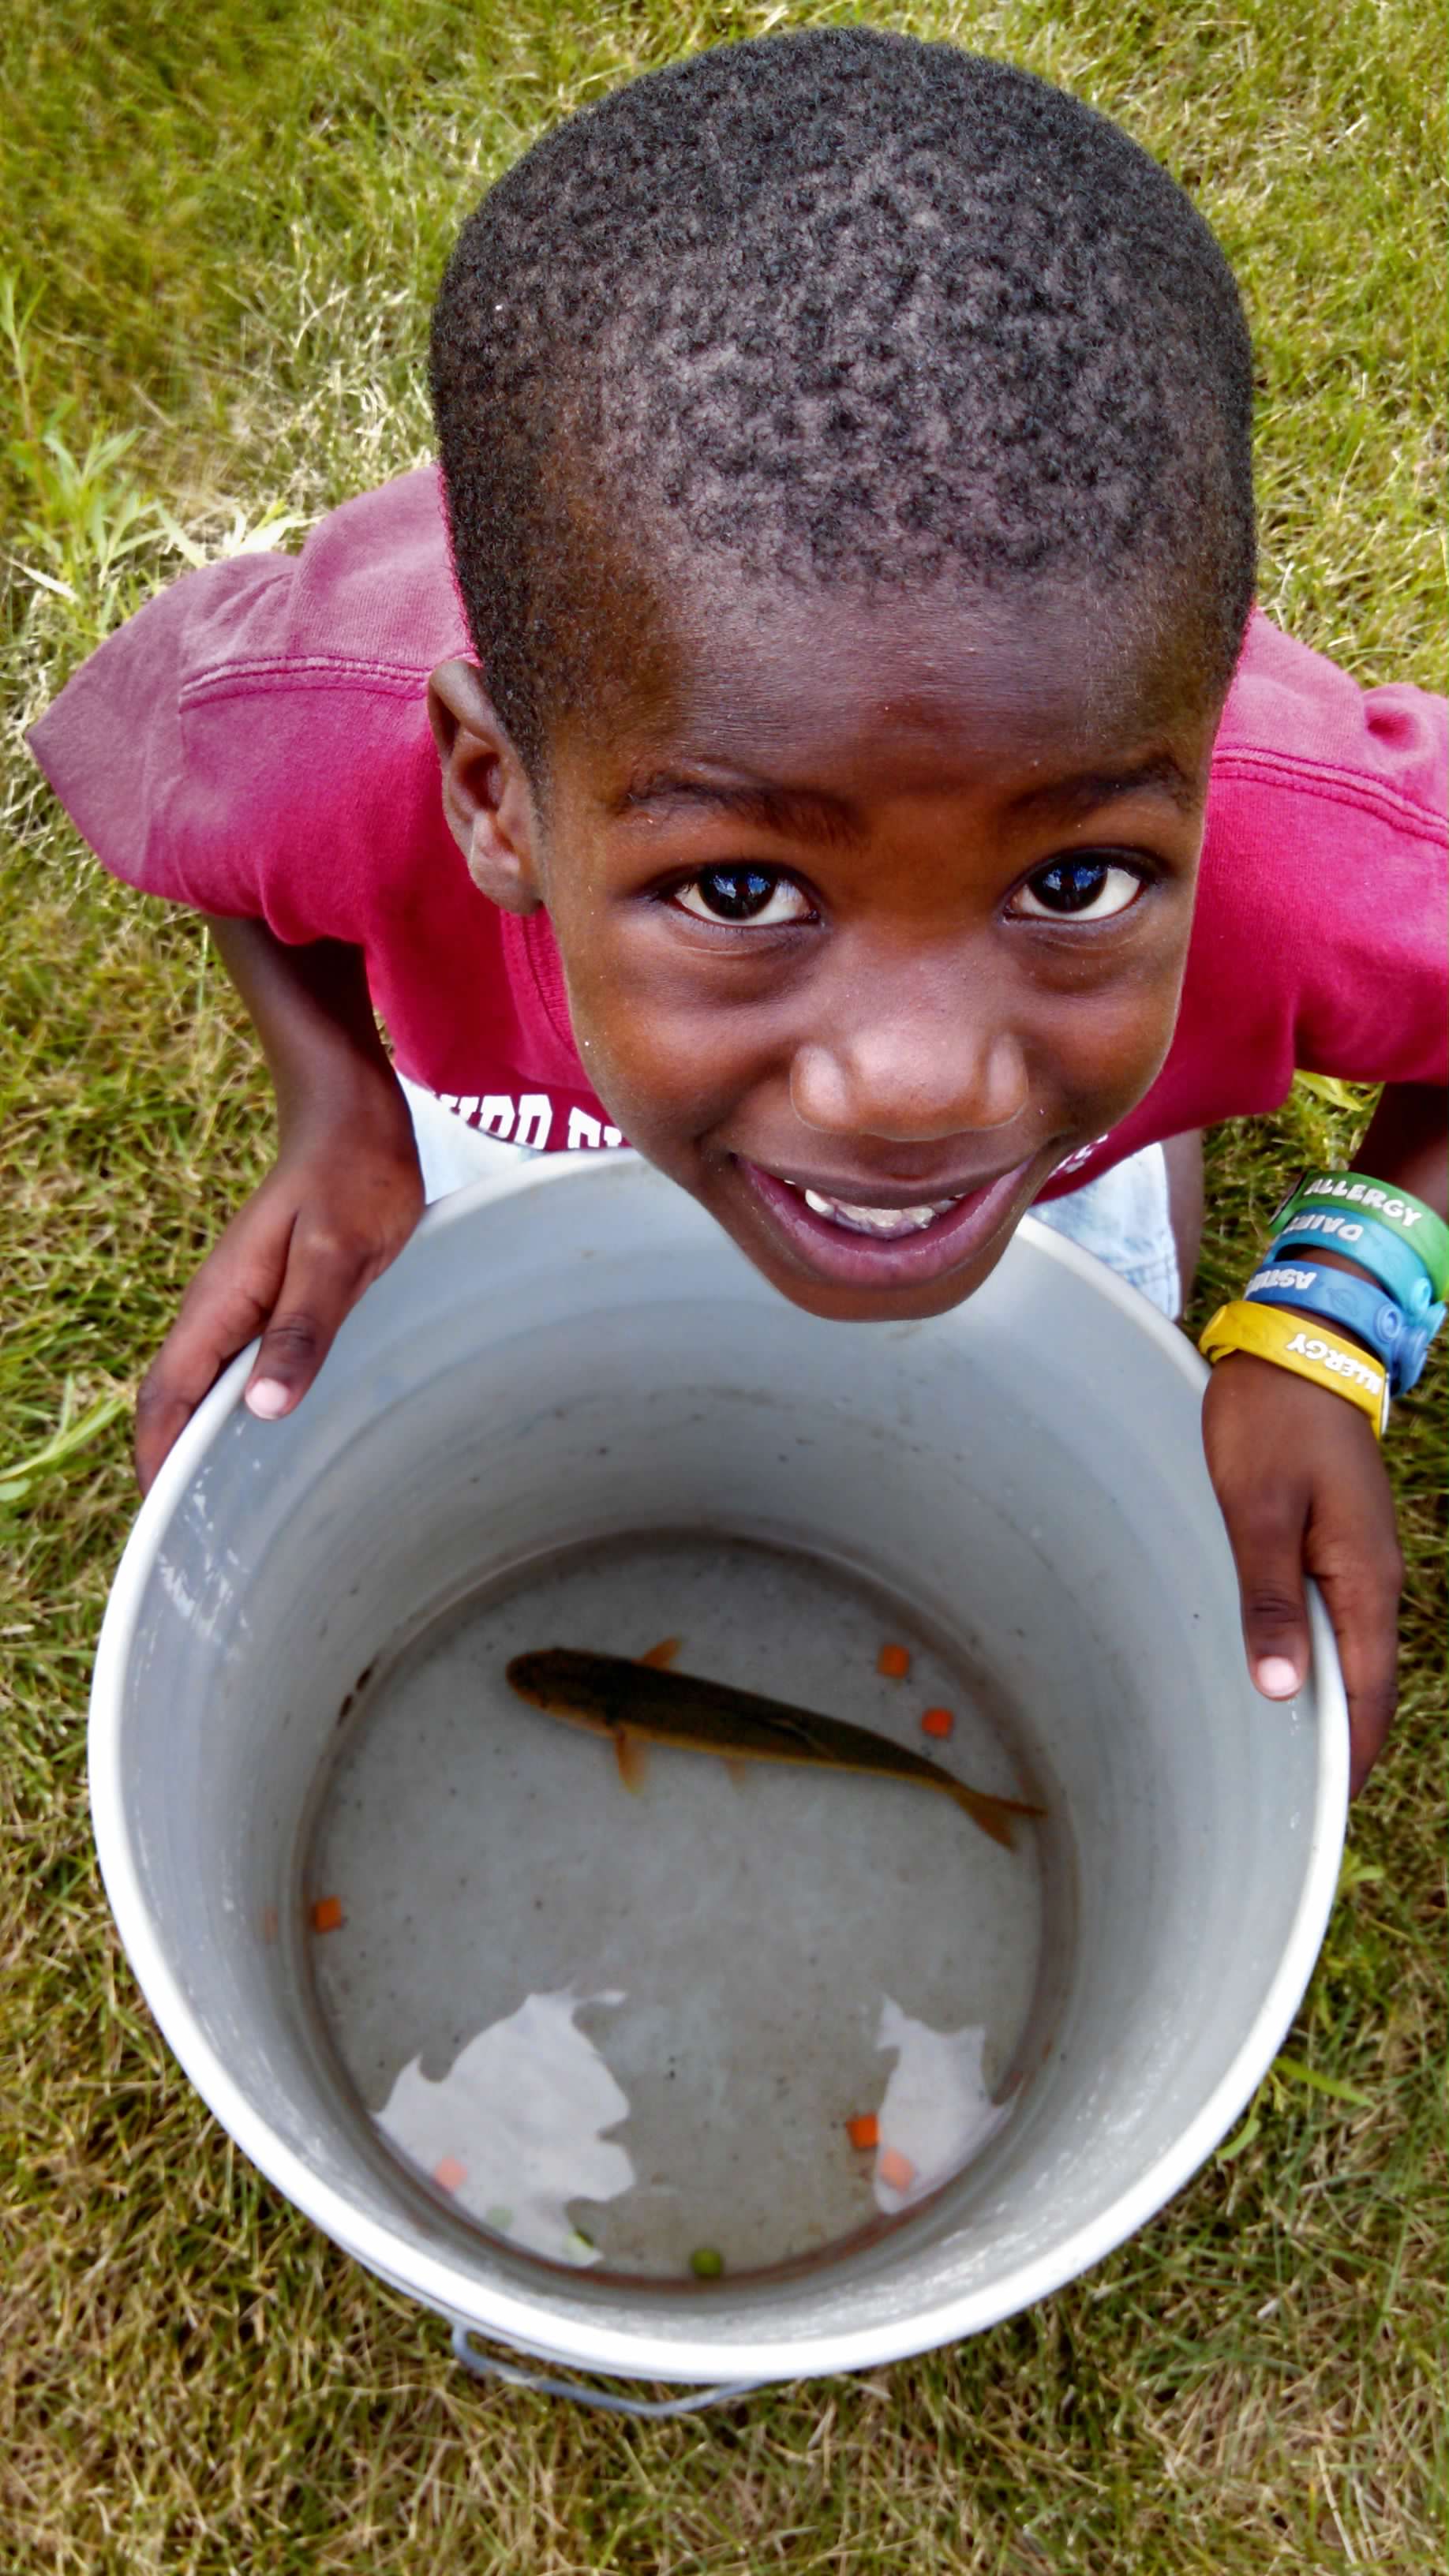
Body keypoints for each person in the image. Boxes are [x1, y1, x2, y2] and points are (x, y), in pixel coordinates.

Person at [28, 28, 1444, 1793]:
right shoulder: (321, 741)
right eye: (742, 887)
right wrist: (341, 1104)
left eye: (1072, 882)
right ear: (493, 803)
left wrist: (1330, 1319)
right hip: (517, 1122)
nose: (916, 1087)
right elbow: (185, 806)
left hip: (1066, 1182)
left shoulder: (1301, 858)